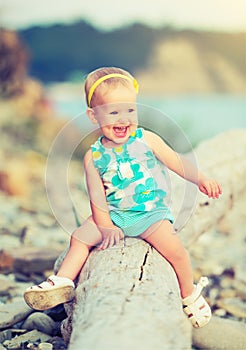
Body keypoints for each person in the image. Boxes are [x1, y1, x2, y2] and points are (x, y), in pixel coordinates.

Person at [24, 67, 222, 328]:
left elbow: (177, 162)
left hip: (149, 213)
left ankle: (188, 294)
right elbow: (97, 196)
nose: (124, 119)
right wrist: (105, 226)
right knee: (79, 237)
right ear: (93, 116)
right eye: (114, 112)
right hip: (115, 215)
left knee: (176, 252)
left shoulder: (147, 139)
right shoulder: (93, 156)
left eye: (130, 110)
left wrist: (202, 179)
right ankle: (62, 282)